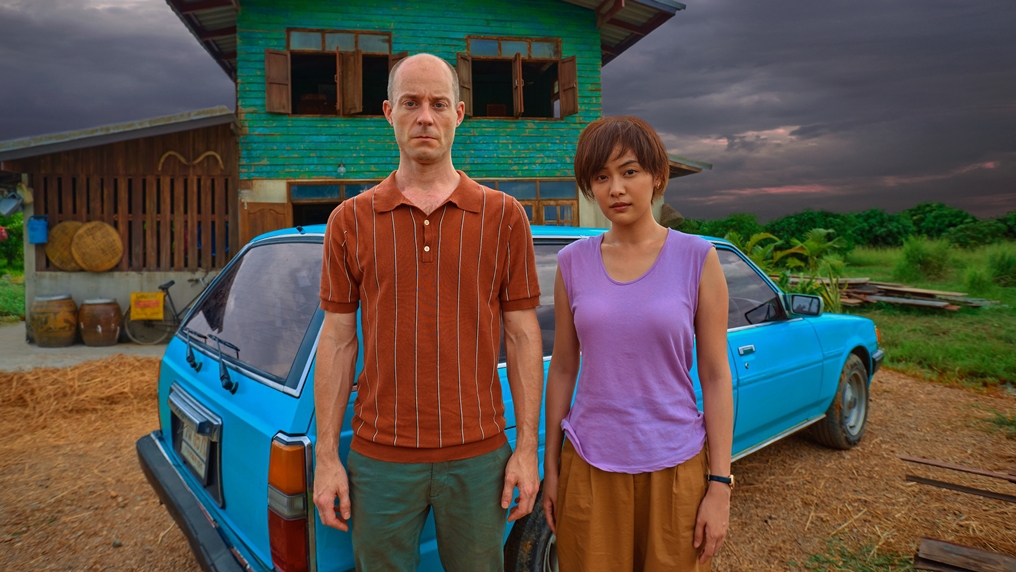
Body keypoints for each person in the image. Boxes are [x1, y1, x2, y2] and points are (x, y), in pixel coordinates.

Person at [312, 53, 544, 571]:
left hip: (480, 457)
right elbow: (338, 339)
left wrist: (526, 449)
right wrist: (327, 457)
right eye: (411, 103)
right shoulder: (348, 221)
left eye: (439, 104)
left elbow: (523, 336)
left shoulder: (505, 217)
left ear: (458, 113)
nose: (425, 117)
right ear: (388, 112)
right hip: (380, 459)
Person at [541, 116, 734, 571]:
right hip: (590, 463)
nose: (616, 189)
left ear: (657, 176)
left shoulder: (698, 258)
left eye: (629, 172)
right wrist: (551, 468)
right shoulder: (572, 263)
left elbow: (714, 375)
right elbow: (564, 367)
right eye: (601, 177)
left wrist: (719, 484)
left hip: (676, 464)